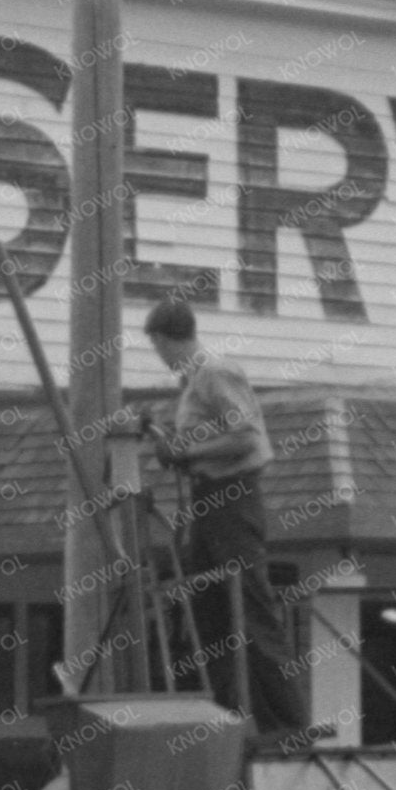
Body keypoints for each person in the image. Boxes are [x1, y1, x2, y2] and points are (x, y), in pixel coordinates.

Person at [134, 296, 311, 742]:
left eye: (158, 348)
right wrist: (173, 443)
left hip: (232, 500)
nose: (160, 358)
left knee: (247, 606)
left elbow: (246, 437)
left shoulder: (216, 373)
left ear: (166, 340)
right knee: (210, 611)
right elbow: (214, 439)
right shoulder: (194, 384)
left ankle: (286, 723)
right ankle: (231, 717)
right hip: (208, 500)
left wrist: (188, 450)